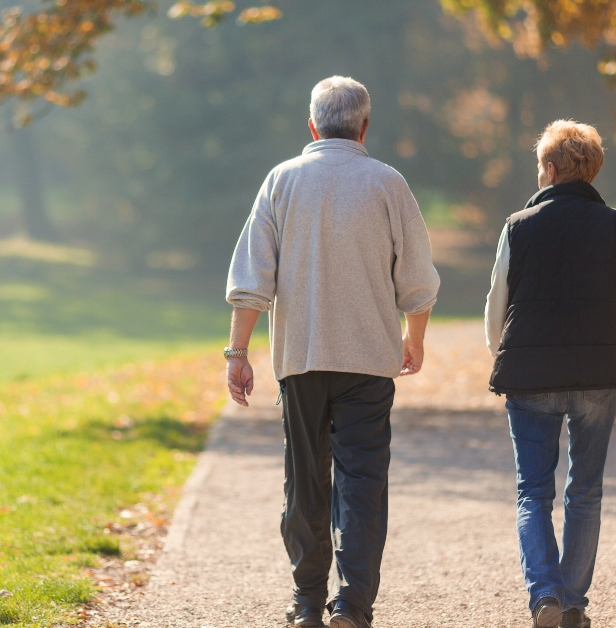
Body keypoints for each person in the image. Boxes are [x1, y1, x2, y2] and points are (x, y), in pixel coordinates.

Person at [225, 76, 441, 628]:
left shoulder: (281, 182)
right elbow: (417, 279)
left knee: (305, 481)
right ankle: (353, 605)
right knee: (363, 485)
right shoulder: (388, 184)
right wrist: (413, 339)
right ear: (365, 127)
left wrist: (238, 351)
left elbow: (254, 278)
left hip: (300, 361)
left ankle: (305, 602)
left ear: (312, 126)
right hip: (370, 364)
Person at [484, 120, 616, 628]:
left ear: (548, 169)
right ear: (592, 171)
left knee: (532, 491)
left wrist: (501, 352)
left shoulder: (517, 225)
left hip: (529, 373)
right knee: (585, 490)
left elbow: (495, 307)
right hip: (598, 370)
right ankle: (572, 605)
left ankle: (544, 593)